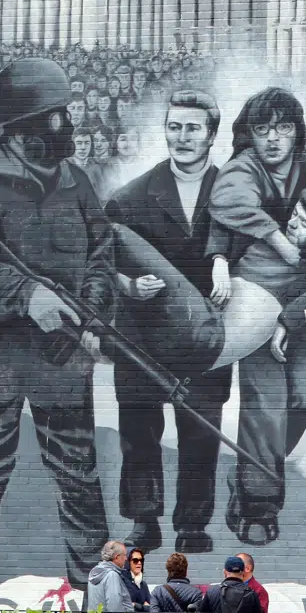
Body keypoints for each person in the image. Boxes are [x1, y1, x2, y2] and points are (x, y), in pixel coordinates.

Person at [0, 57, 116, 611]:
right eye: (58, 116)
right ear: (25, 127)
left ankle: (95, 592)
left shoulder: (77, 184)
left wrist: (90, 315)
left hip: (62, 361)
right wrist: (27, 295)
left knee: (79, 473)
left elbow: (101, 254)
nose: (69, 125)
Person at [105, 90, 227, 555]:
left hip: (207, 336)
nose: (182, 137)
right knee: (139, 430)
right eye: (174, 127)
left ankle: (193, 524)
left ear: (211, 135)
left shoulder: (235, 194)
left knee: (201, 430)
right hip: (141, 335)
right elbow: (98, 265)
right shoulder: (129, 199)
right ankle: (144, 521)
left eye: (193, 128)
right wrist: (128, 286)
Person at [207, 87, 306, 545]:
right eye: (263, 129)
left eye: (283, 127)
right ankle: (258, 505)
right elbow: (227, 204)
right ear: (249, 134)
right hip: (256, 297)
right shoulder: (243, 168)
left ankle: (253, 470)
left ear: (297, 132)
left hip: (303, 302)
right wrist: (276, 241)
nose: (273, 139)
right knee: (266, 404)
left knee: (304, 401)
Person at [84, 540, 134, 613]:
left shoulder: (94, 573)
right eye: (124, 555)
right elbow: (114, 606)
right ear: (117, 557)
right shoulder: (112, 575)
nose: (126, 558)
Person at [124, 546, 152, 613]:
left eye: (141, 560)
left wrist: (136, 605)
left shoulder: (143, 584)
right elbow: (125, 607)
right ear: (128, 562)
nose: (139, 563)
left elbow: (151, 610)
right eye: (135, 560)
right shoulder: (123, 582)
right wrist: (144, 606)